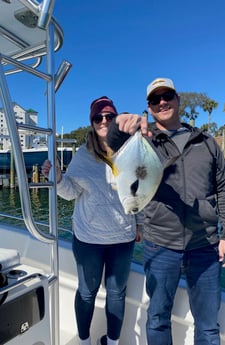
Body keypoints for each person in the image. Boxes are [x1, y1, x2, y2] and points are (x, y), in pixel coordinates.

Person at [107, 78, 225, 345]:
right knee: (157, 318)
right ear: (149, 107)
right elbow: (114, 144)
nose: (162, 102)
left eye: (167, 96)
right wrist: (119, 126)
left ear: (178, 99)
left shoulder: (206, 142)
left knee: (208, 327)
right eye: (155, 100)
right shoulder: (145, 140)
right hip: (160, 245)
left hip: (206, 245)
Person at [41, 96, 143, 345]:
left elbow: (138, 190)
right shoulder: (82, 156)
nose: (104, 120)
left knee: (117, 294)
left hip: (123, 238)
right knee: (87, 293)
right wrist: (55, 179)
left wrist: (139, 223)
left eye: (109, 116)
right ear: (92, 122)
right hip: (88, 239)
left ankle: (113, 342)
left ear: (117, 119)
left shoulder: (132, 150)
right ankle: (84, 341)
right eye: (99, 117)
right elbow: (71, 192)